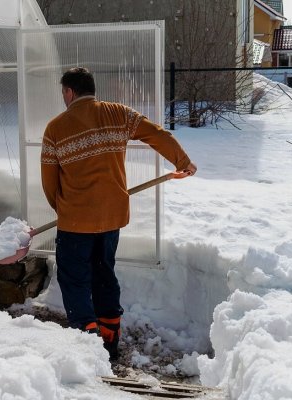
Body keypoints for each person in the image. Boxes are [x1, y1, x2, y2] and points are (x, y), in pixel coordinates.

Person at [40, 67, 197, 361]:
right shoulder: (119, 114)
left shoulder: (56, 128)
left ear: (69, 92)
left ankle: (87, 342)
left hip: (75, 221)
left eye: (63, 92)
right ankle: (110, 340)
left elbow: (50, 182)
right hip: (112, 217)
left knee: (74, 280)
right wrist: (182, 161)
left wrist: (62, 208)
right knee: (104, 274)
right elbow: (157, 134)